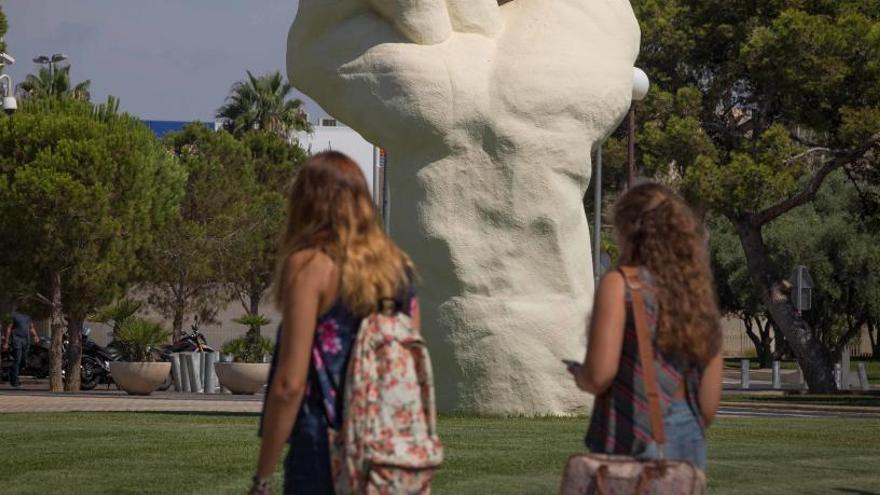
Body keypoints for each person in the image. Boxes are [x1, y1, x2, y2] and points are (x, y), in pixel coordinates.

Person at [252, 151, 419, 495]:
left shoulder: (311, 266)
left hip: (322, 444)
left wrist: (262, 478)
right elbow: (411, 360)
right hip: (389, 446)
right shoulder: (398, 270)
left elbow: (290, 385)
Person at [569, 183, 723, 470]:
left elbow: (600, 375)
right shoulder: (698, 294)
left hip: (634, 434)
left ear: (630, 231)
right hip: (690, 438)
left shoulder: (620, 285)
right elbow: (709, 405)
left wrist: (580, 376)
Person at [3, 308, 40, 388]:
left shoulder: (27, 317)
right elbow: (9, 328)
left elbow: (31, 328)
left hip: (25, 341)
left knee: (23, 361)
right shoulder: (14, 316)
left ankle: (12, 374)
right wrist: (6, 342)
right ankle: (15, 381)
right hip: (16, 340)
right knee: (18, 359)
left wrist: (35, 336)